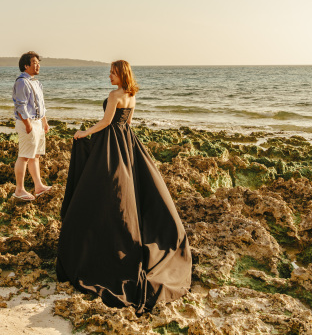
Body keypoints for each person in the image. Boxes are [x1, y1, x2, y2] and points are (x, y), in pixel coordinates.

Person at [56, 60, 191, 314]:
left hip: (111, 144)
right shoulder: (131, 95)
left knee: (105, 193)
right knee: (129, 193)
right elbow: (127, 124)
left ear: (122, 74)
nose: (109, 76)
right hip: (127, 143)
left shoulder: (114, 95)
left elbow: (106, 123)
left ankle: (100, 241)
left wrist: (85, 133)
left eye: (113, 72)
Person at [11, 51, 52, 202]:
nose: (38, 65)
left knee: (35, 156)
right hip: (27, 123)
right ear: (26, 66)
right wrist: (28, 124)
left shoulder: (36, 82)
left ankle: (39, 186)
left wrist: (44, 121)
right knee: (24, 156)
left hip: (38, 122)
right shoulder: (22, 82)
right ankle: (19, 190)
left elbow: (40, 105)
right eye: (34, 63)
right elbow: (20, 106)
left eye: (38, 62)